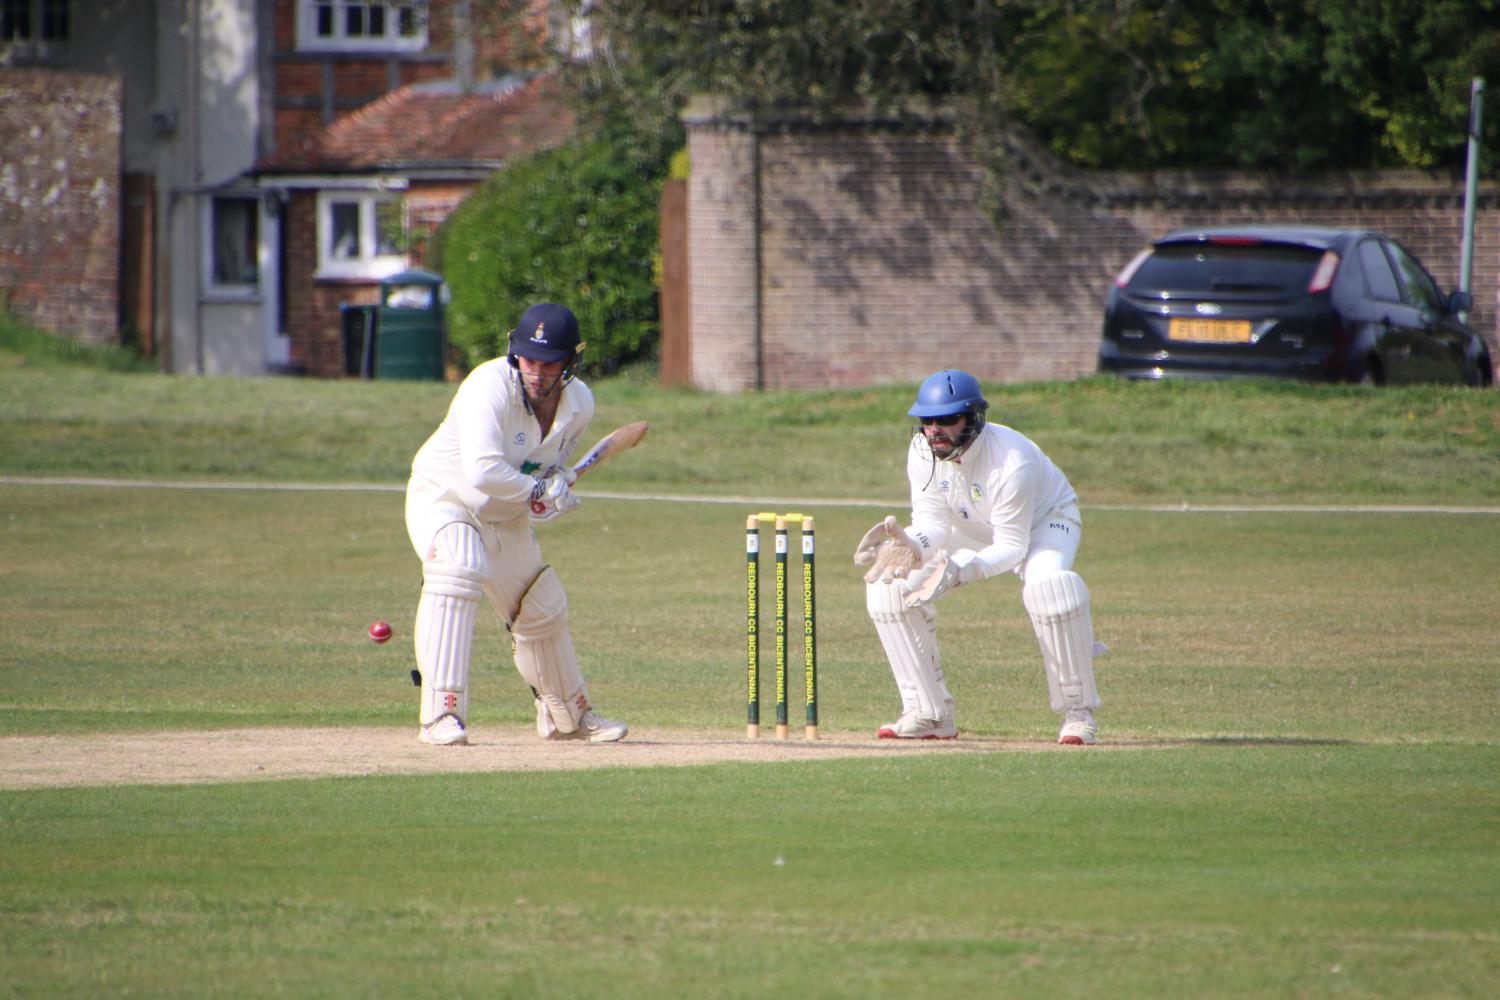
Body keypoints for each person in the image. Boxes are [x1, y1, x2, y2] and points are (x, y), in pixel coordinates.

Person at [403, 302, 628, 746]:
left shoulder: (579, 404)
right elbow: (484, 471)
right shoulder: (486, 386)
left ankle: (567, 716)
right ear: (514, 354)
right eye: (529, 360)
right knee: (458, 564)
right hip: (445, 499)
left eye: (549, 363)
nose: (537, 373)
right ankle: (441, 716)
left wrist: (551, 491)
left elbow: (539, 472)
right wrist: (538, 492)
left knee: (542, 606)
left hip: (503, 515)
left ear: (571, 362)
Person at [853, 369, 1103, 745]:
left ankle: (1078, 713)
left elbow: (1012, 546)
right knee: (888, 588)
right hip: (967, 526)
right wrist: (912, 545)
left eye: (947, 420)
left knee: (1050, 588)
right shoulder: (923, 450)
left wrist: (962, 572)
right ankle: (928, 713)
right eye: (927, 421)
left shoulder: (1012, 461)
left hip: (1043, 523)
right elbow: (933, 523)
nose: (934, 430)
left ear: (972, 418)